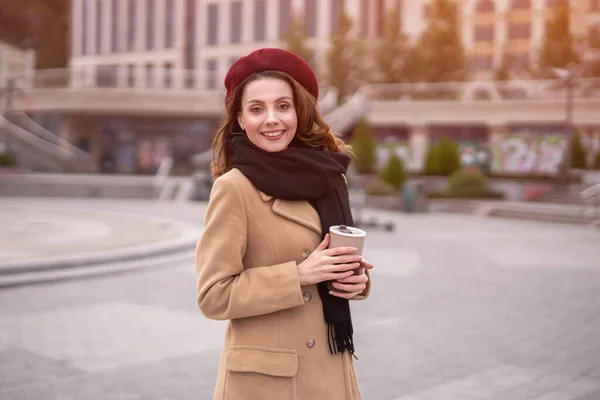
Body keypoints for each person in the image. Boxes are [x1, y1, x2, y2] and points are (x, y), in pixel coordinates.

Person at [195, 48, 374, 400]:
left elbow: (330, 266)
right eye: (256, 109)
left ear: (299, 112)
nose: (272, 119)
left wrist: (358, 281)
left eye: (283, 106)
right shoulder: (233, 188)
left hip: (330, 369)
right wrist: (299, 275)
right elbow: (213, 296)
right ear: (241, 120)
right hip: (269, 383)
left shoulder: (329, 177)